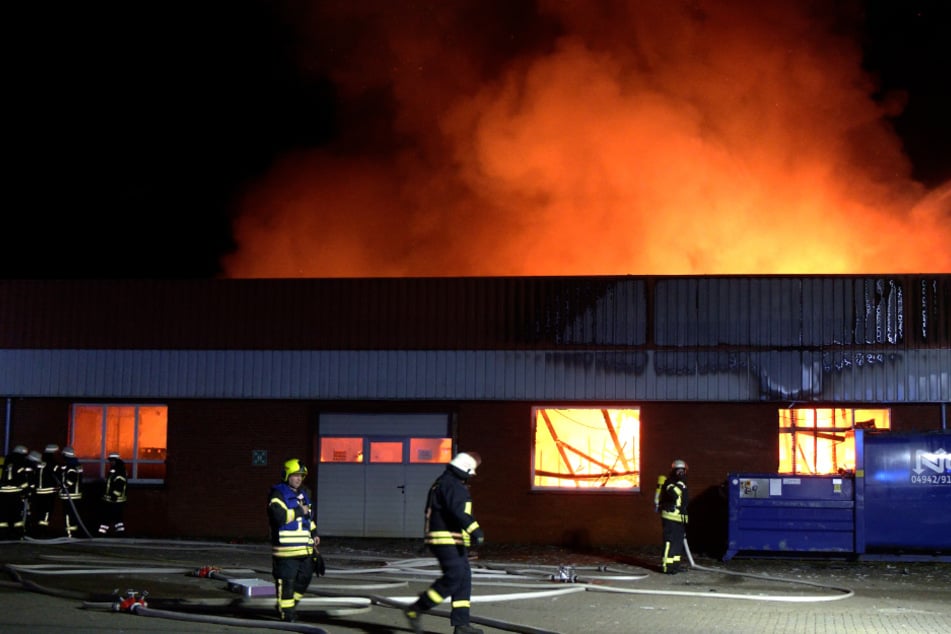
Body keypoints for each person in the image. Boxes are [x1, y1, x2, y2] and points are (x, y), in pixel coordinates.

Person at [404, 451, 485, 634]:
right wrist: (476, 530)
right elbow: (458, 512)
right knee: (454, 576)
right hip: (445, 539)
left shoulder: (444, 482)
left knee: (463, 578)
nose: (471, 477)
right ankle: (416, 609)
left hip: (452, 539)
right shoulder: (452, 485)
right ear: (464, 469)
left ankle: (461, 625)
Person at [267, 458, 320, 623]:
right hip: (286, 551)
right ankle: (286, 614)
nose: (299, 479)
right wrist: (299, 510)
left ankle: (290, 606)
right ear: (286, 475)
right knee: (287, 583)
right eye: (295, 475)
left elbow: (308, 519)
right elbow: (279, 517)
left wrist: (314, 534)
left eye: (301, 476)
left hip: (305, 549)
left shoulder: (304, 495)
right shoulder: (278, 494)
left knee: (304, 579)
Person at [659, 458, 689, 574]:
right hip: (670, 517)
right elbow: (675, 494)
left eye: (683, 471)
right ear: (674, 471)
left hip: (679, 518)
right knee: (670, 542)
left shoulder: (683, 484)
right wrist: (681, 484)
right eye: (679, 471)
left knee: (678, 543)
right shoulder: (669, 482)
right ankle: (666, 566)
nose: (681, 473)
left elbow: (684, 501)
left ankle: (675, 566)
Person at [29, 444, 61, 537]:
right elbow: (58, 477)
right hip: (49, 492)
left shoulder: (39, 462)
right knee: (46, 511)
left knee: (37, 511)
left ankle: (34, 530)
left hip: (37, 492)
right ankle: (42, 531)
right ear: (54, 452)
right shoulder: (53, 464)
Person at [0, 445, 31, 539]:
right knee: (16, 515)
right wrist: (27, 491)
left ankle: (3, 534)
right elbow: (21, 479)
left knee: (3, 514)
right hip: (14, 493)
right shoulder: (19, 463)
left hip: (3, 492)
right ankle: (17, 534)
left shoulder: (7, 462)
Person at [55, 446, 84, 538]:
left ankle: (69, 534)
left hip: (69, 495)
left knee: (68, 515)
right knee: (74, 515)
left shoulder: (70, 466)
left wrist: (63, 486)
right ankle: (74, 533)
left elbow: (71, 480)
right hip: (76, 495)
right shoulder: (76, 465)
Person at [98, 452, 127, 535]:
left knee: (109, 516)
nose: (110, 462)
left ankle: (103, 532)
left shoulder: (119, 471)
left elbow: (119, 485)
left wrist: (114, 496)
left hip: (115, 500)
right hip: (111, 499)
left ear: (116, 460)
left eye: (112, 460)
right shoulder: (114, 470)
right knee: (115, 517)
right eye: (110, 460)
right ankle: (119, 532)